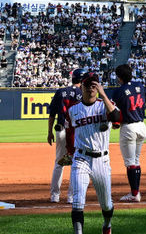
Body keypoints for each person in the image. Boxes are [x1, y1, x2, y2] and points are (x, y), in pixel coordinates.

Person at [65, 70, 121, 234]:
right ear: (81, 86)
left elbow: (117, 118)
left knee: (106, 204)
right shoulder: (73, 110)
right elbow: (69, 132)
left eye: (94, 85)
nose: (91, 88)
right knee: (77, 202)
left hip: (101, 160)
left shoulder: (105, 104)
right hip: (80, 158)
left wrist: (103, 96)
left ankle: (107, 224)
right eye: (88, 84)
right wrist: (69, 152)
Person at [47, 67, 86, 203]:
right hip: (77, 131)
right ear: (82, 80)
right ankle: (71, 196)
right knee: (76, 163)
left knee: (59, 162)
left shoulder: (61, 92)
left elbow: (52, 114)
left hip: (61, 129)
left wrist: (49, 132)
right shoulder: (84, 93)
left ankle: (54, 196)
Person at [111, 63, 146, 202]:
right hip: (141, 125)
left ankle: (134, 194)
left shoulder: (119, 91)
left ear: (119, 77)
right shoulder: (141, 86)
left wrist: (115, 123)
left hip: (128, 128)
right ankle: (136, 191)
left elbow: (114, 112)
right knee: (136, 161)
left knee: (130, 162)